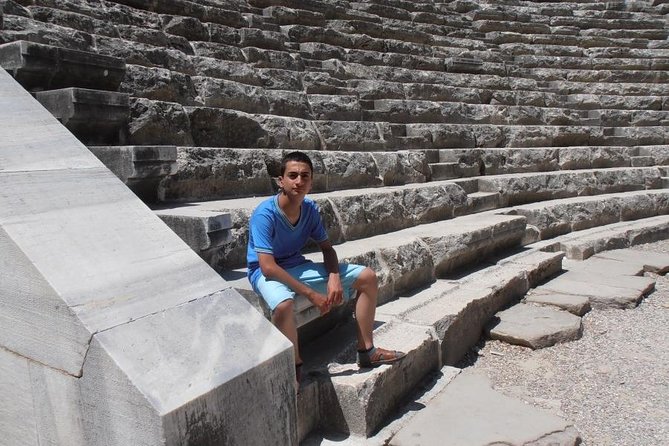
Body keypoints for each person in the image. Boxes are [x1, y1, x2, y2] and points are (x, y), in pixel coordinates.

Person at [247, 151, 405, 386]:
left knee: (368, 277)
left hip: (296, 265)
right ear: (281, 181)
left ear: (311, 182)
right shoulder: (265, 213)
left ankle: (367, 352)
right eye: (292, 176)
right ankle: (294, 367)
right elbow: (268, 267)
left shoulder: (309, 209)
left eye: (305, 176)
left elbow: (327, 249)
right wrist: (312, 294)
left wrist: (333, 277)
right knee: (283, 305)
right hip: (264, 271)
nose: (299, 181)